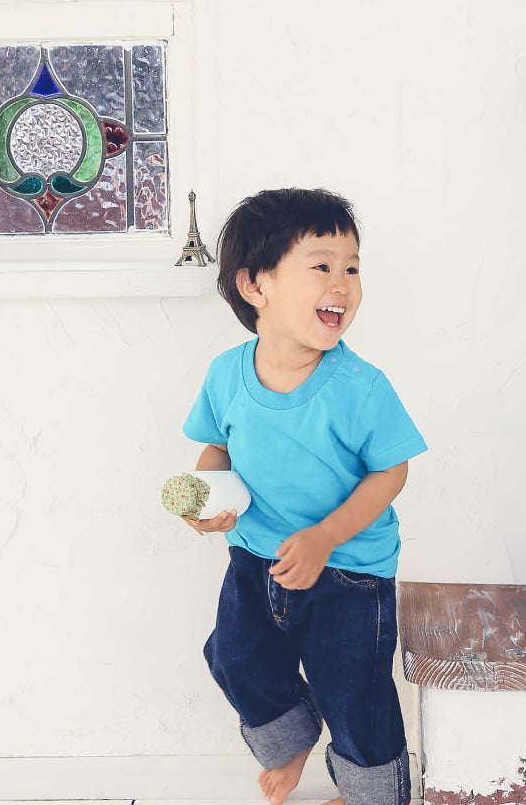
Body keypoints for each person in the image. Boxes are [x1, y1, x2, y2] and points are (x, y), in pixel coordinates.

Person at [180, 188, 427, 805]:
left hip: (348, 572)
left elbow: (390, 473)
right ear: (254, 285)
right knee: (234, 658)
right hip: (255, 557)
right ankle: (290, 739)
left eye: (352, 268)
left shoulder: (361, 388)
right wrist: (206, 501)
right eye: (321, 266)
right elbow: (217, 449)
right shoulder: (226, 373)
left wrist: (325, 537)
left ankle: (372, 795)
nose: (341, 284)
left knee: (355, 693)